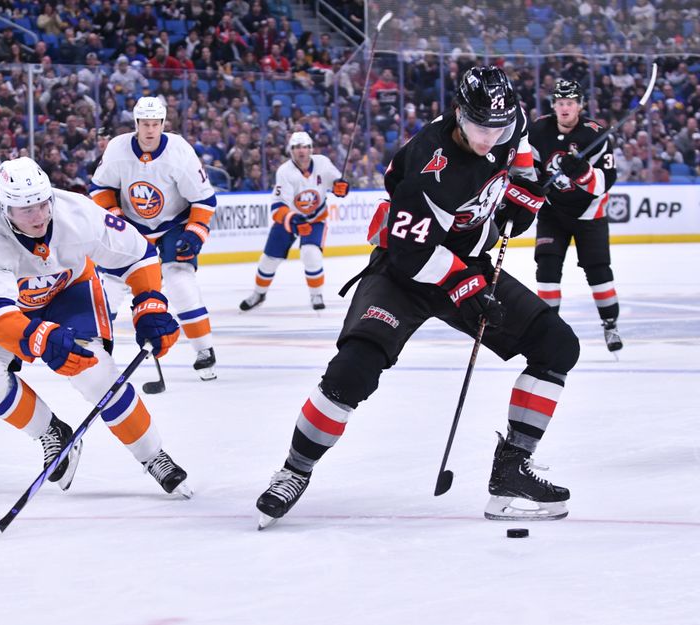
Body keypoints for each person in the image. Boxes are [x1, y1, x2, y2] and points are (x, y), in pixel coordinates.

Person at [255, 66, 580, 529]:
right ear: (458, 115)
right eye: (478, 127)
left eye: (498, 128)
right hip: (404, 271)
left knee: (557, 347)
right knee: (354, 371)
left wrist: (527, 190)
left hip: (466, 260)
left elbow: (521, 153)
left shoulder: (509, 121)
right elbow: (412, 255)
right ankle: (294, 470)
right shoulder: (429, 166)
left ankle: (511, 473)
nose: (489, 138)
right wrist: (467, 288)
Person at [0, 157, 191, 498]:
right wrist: (41, 340)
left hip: (71, 291)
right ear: (4, 208)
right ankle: (50, 432)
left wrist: (150, 303)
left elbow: (139, 254)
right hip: (15, 308)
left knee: (95, 372)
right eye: (26, 210)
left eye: (41, 204)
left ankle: (153, 455)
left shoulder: (78, 212)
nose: (38, 216)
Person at [90, 97, 219, 381]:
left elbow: (204, 199)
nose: (150, 130)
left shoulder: (179, 152)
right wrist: (114, 216)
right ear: (136, 124)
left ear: (163, 124)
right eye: (144, 124)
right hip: (131, 227)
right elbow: (100, 188)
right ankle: (97, 348)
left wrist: (195, 231)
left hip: (174, 223)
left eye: (155, 124)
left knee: (178, 277)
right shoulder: (117, 149)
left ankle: (204, 349)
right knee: (109, 283)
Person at [528, 79, 622, 352]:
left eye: (570, 103)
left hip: (589, 214)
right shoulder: (538, 130)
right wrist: (527, 187)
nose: (565, 108)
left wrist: (582, 173)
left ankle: (610, 324)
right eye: (560, 103)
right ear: (553, 106)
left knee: (598, 271)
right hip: (552, 211)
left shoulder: (596, 135)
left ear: (580, 106)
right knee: (546, 268)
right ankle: (548, 329)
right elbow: (527, 167)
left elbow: (606, 181)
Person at [239, 131, 349, 312]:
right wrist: (295, 222)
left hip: (315, 219)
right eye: (297, 147)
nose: (302, 151)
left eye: (305, 147)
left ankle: (316, 294)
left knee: (311, 254)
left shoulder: (322, 163)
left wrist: (341, 188)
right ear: (291, 151)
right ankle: (259, 293)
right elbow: (278, 206)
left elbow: (337, 184)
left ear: (311, 149)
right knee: (268, 260)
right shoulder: (285, 172)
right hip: (290, 220)